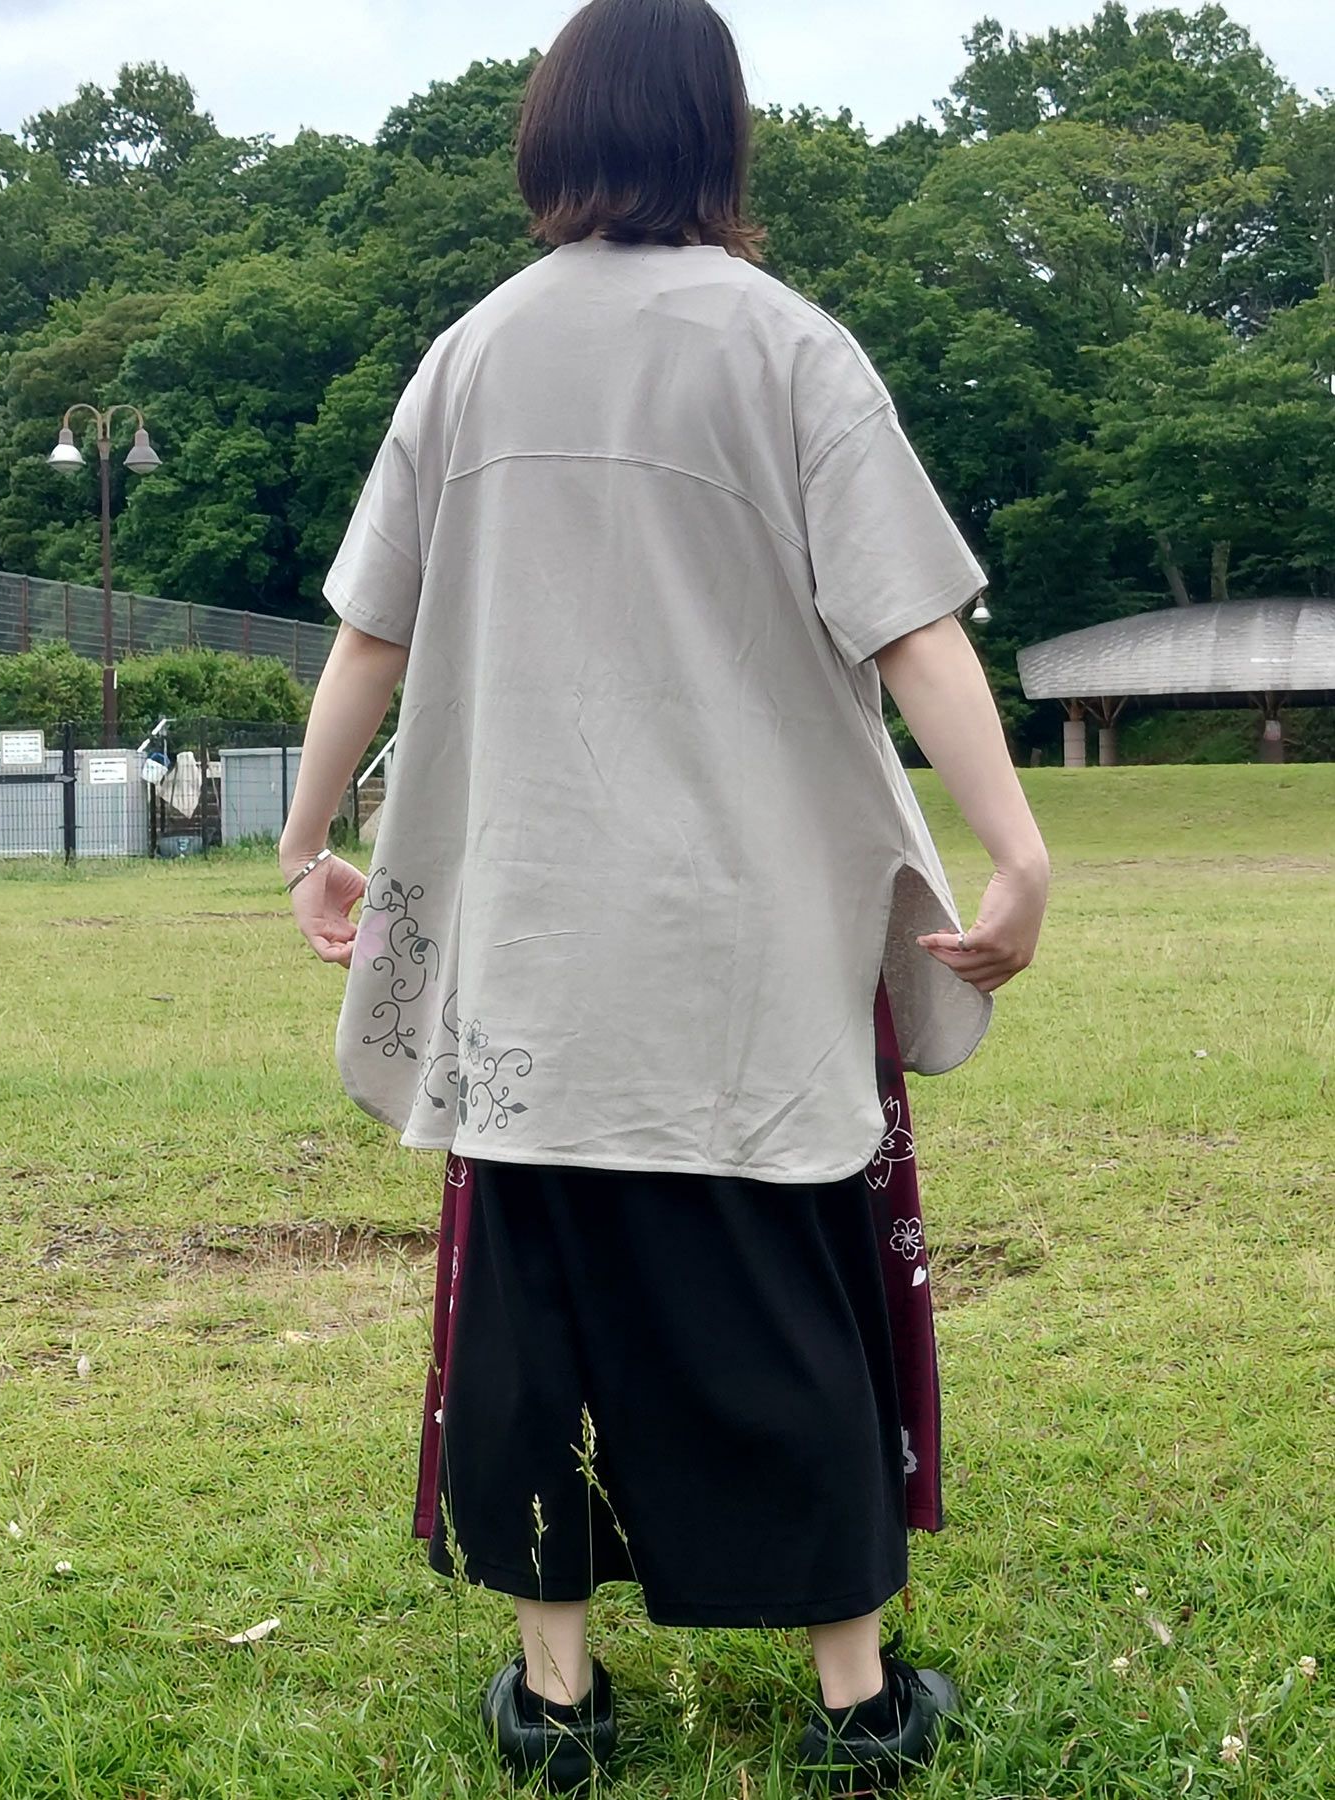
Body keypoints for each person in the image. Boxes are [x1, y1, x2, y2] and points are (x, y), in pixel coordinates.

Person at [280, 0, 1050, 1788]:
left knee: (532, 1306)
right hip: (741, 943)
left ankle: (555, 1708)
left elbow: (371, 634)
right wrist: (1014, 845)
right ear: (721, 135)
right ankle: (854, 1706)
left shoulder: (467, 357)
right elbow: (912, 626)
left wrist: (309, 840)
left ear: (549, 133)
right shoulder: (790, 348)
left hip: (530, 947)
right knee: (787, 1292)